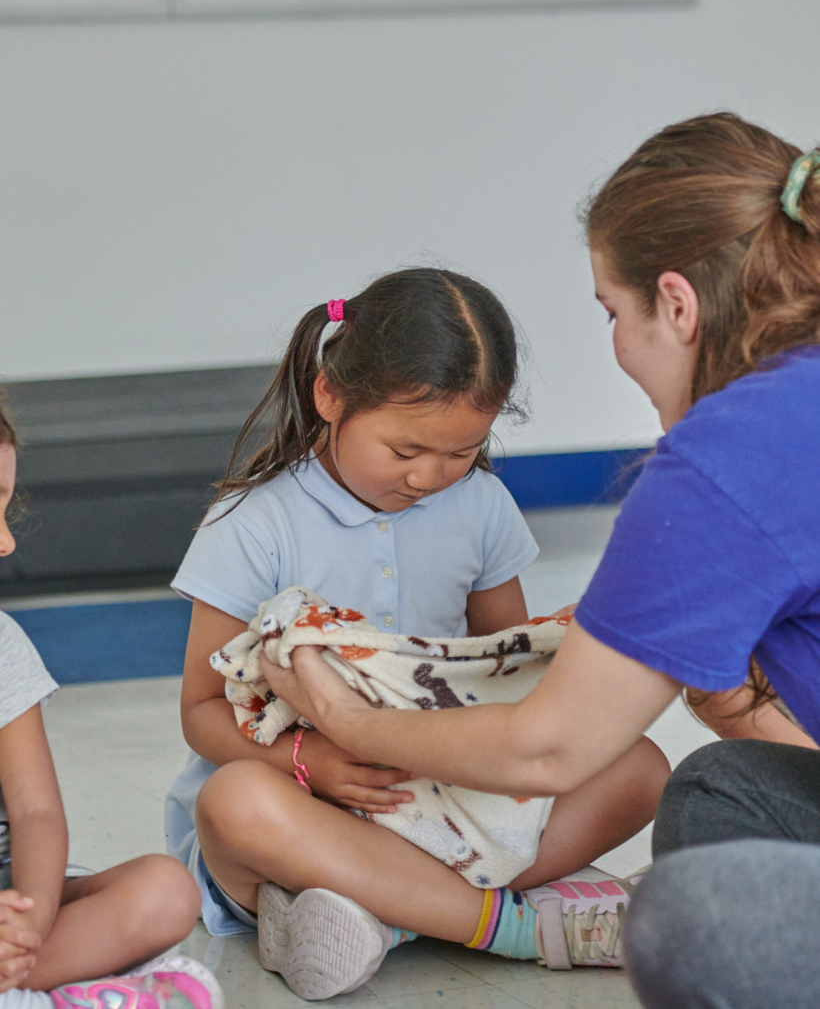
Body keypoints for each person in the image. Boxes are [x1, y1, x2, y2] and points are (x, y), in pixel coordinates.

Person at [264, 115, 820, 1009]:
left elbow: (547, 747)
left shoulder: (728, 458)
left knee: (685, 917)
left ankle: (456, 916)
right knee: (718, 792)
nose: (617, 342)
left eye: (613, 313)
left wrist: (343, 717)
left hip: (422, 756)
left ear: (677, 304)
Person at [165, 267, 670, 998]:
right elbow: (202, 711)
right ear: (329, 395)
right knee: (233, 804)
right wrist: (312, 762)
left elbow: (507, 673)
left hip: (441, 791)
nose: (430, 477)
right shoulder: (252, 524)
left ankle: (391, 915)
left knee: (642, 766)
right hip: (306, 796)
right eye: (405, 452)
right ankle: (512, 926)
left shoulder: (482, 505)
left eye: (461, 452)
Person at [0, 403, 223, 1009]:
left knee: (166, 890)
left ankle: (28, 978)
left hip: (14, 900)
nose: (7, 541)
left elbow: (36, 812)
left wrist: (31, 921)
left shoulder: (3, 645)